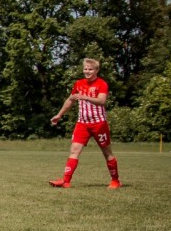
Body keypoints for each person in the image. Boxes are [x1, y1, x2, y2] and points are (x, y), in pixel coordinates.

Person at [49, 57, 121, 189]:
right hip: (82, 123)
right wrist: (59, 115)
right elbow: (70, 100)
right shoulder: (79, 83)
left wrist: (84, 97)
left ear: (96, 70)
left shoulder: (101, 84)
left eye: (90, 69)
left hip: (99, 124)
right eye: (85, 69)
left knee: (107, 153)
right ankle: (66, 181)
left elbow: (101, 101)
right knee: (74, 151)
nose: (87, 71)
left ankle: (115, 181)